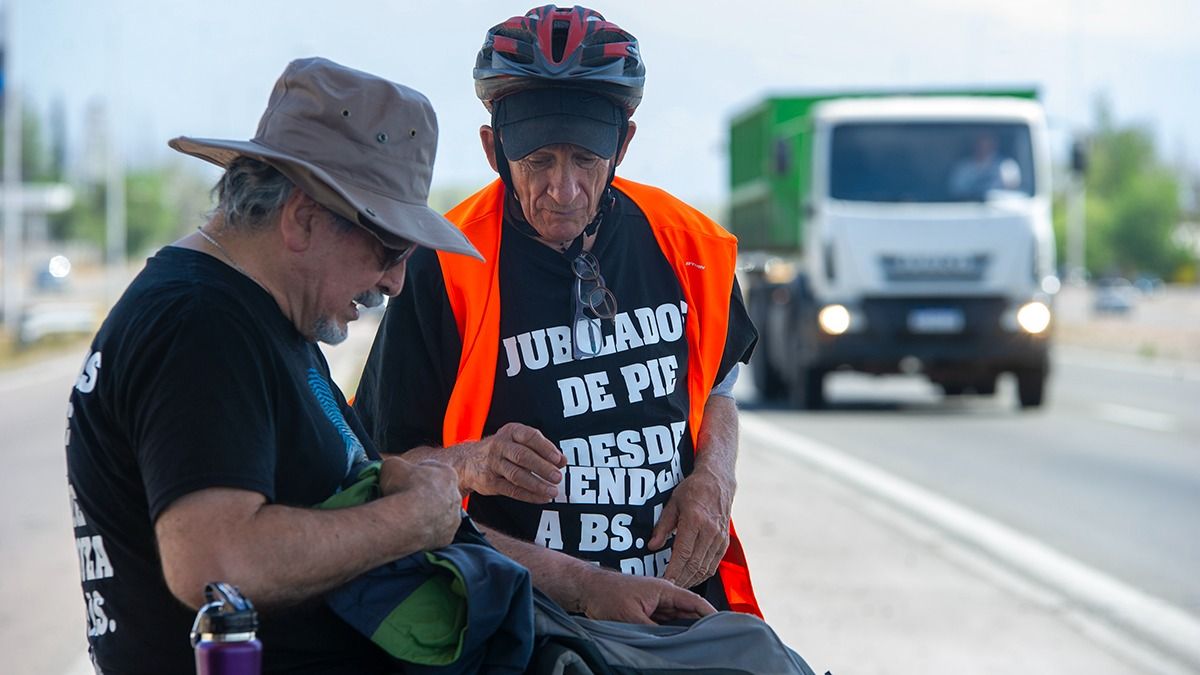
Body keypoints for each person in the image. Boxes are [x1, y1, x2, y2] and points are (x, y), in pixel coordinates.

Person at [63, 57, 704, 675]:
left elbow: (343, 490)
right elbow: (214, 559)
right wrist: (407, 522)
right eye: (389, 246)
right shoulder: (200, 325)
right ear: (303, 220)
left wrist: (464, 467)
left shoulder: (256, 315)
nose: (396, 281)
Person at [355, 5, 762, 618]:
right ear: (495, 150)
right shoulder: (442, 268)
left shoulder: (689, 244)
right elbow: (378, 470)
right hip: (517, 611)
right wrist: (475, 462)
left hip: (678, 606)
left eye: (585, 160)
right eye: (538, 161)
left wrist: (715, 479)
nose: (563, 189)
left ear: (622, 144)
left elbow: (720, 388)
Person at [948, 131, 1022, 197]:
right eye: (980, 142)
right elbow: (956, 192)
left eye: (987, 142)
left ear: (995, 144)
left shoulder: (1007, 166)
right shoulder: (963, 168)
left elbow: (1013, 192)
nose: (983, 146)